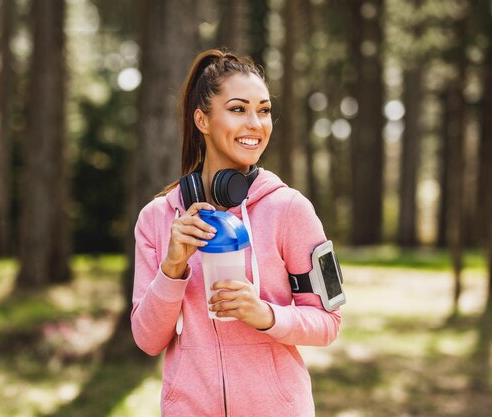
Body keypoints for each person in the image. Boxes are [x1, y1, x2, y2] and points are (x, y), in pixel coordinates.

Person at [131, 49, 342, 417]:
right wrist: (172, 268)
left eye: (263, 110)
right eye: (238, 109)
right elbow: (148, 341)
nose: (255, 123)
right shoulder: (157, 218)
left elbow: (329, 323)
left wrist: (266, 315)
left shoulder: (290, 209)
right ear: (203, 119)